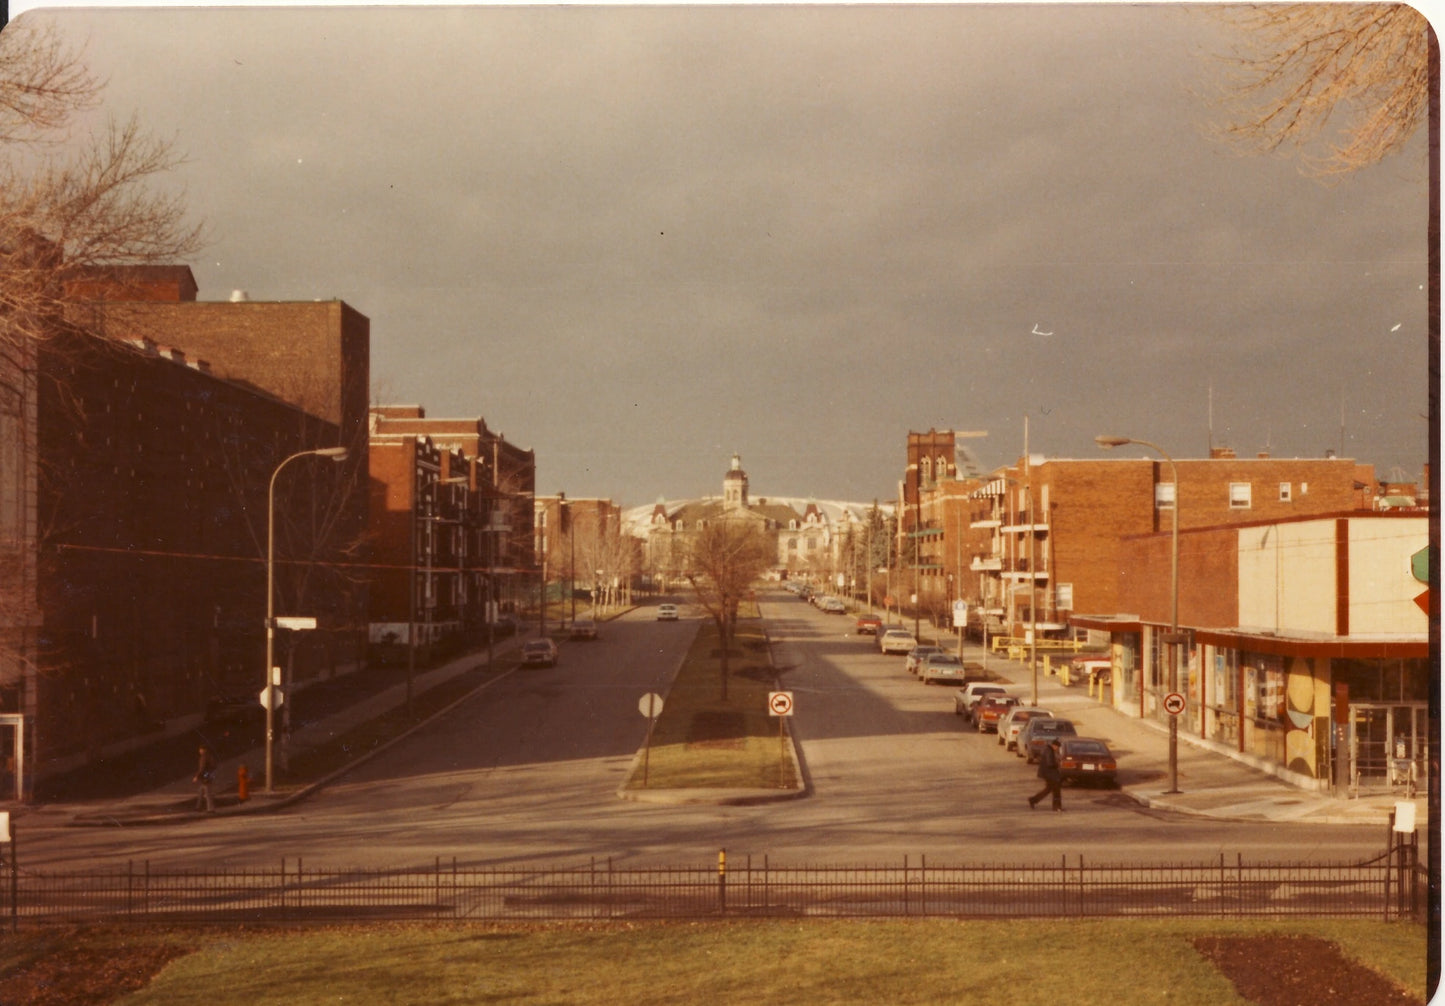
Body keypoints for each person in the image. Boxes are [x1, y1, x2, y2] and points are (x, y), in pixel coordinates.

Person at [1028, 738, 1064, 812]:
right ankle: (1057, 807)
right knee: (1056, 790)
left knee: (1048, 789)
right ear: (1054, 745)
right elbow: (1050, 763)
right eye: (1057, 747)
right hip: (1050, 774)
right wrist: (1057, 764)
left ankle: (1033, 800)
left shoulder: (1048, 750)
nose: (1057, 749)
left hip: (1048, 774)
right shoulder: (1049, 751)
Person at [194, 745, 217, 812]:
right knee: (201, 791)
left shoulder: (204, 757)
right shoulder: (210, 756)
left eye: (200, 750)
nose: (199, 751)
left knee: (207, 793)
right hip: (209, 776)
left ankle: (210, 809)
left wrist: (197, 776)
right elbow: (214, 766)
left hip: (205, 778)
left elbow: (202, 768)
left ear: (203, 750)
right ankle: (198, 807)